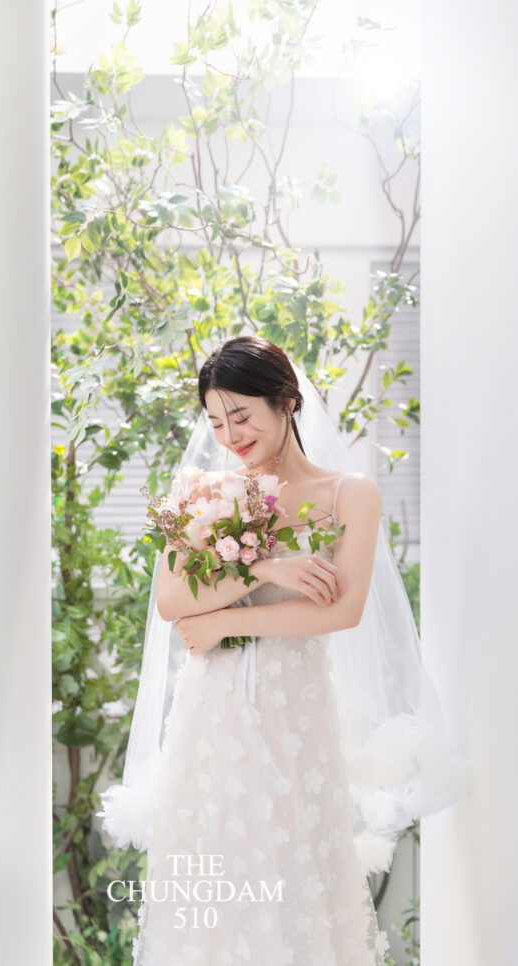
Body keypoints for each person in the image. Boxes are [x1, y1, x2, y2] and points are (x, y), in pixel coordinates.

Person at [98, 336, 470, 964]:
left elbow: (342, 611)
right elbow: (171, 600)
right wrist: (269, 567)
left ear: (287, 402)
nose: (229, 436)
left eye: (241, 416)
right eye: (216, 422)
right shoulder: (202, 492)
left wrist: (221, 622)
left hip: (294, 707)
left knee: (293, 867)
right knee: (213, 865)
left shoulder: (349, 492)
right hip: (211, 711)